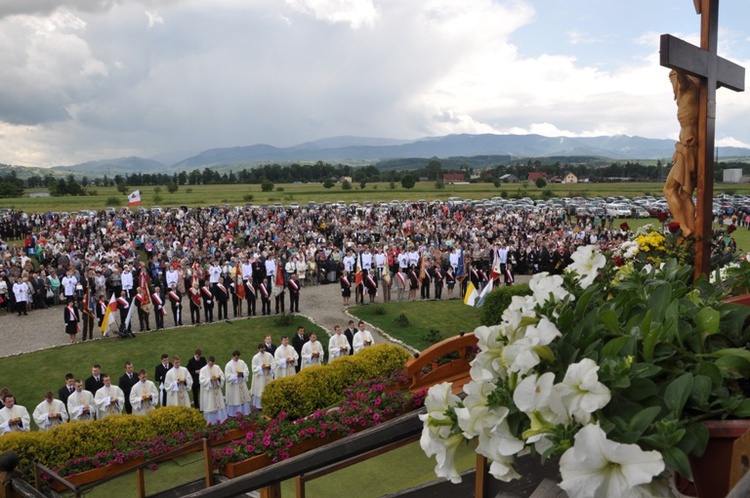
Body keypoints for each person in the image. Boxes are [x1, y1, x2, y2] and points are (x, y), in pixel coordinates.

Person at [664, 68, 700, 238]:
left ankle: (683, 227)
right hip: (695, 147)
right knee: (685, 195)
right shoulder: (699, 89)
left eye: (672, 79)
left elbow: (681, 73)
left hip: (687, 148)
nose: (672, 85)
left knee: (669, 190)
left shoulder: (687, 86)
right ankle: (692, 232)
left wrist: (677, 64)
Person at [199, 357, 227, 425]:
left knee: (219, 406)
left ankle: (221, 420)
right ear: (207, 361)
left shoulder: (217, 367)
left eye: (212, 363)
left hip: (217, 390)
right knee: (210, 405)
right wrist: (210, 379)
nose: (211, 364)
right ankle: (211, 422)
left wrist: (219, 378)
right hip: (209, 392)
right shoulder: (203, 369)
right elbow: (201, 380)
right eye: (210, 363)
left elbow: (222, 376)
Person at [225, 350, 251, 416]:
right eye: (235, 357)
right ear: (233, 356)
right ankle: (234, 413)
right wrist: (236, 376)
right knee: (235, 399)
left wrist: (242, 374)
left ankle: (245, 412)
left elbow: (246, 371)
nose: (236, 358)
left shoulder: (242, 362)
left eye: (238, 357)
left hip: (241, 383)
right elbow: (227, 376)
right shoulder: (229, 365)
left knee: (243, 399)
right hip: (234, 386)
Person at [250, 343, 275, 410]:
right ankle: (259, 406)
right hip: (260, 377)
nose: (262, 350)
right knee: (260, 390)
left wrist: (269, 366)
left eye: (263, 348)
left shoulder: (269, 355)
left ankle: (269, 403)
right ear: (258, 349)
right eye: (261, 349)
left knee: (268, 390)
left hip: (268, 375)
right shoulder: (255, 357)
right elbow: (254, 368)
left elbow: (273, 364)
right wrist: (261, 367)